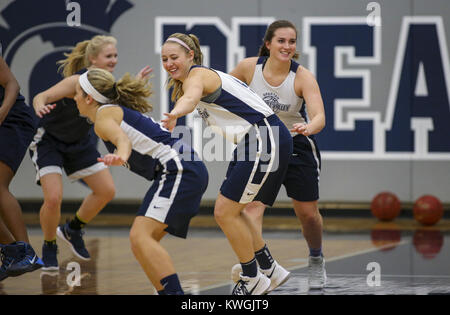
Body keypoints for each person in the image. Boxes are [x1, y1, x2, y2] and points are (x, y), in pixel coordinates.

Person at [161, 33, 293, 295]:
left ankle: (252, 277)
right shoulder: (196, 77)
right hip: (256, 140)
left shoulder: (197, 76)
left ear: (190, 56)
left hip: (263, 137)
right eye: (164, 59)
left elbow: (190, 98)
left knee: (224, 212)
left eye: (174, 57)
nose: (168, 63)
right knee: (233, 210)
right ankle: (269, 269)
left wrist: (176, 112)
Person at [73, 68, 208, 295]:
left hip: (178, 169)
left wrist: (121, 156)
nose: (74, 97)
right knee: (141, 244)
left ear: (88, 98)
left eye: (77, 92)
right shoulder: (112, 111)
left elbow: (122, 140)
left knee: (140, 237)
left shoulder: (103, 118)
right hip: (184, 169)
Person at [29, 35, 146, 270]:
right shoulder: (75, 82)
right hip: (50, 141)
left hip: (80, 143)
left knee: (106, 191)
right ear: (93, 59)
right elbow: (41, 96)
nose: (114, 60)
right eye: (108, 56)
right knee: (53, 198)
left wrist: (137, 83)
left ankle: (73, 229)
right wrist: (40, 105)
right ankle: (50, 244)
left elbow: (124, 102)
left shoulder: (107, 86)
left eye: (115, 56)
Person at [229, 20, 327, 289]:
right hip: (261, 144)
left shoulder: (302, 76)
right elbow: (222, 92)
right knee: (251, 207)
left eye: (291, 41)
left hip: (296, 143)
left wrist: (309, 126)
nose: (287, 46)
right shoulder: (248, 68)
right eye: (281, 41)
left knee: (307, 214)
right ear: (268, 43)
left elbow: (319, 116)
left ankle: (316, 258)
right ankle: (258, 267)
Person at [0, 55, 43, 281]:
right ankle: (15, 252)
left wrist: (1, 113)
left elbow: (12, 84)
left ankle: (22, 252)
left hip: (11, 117)